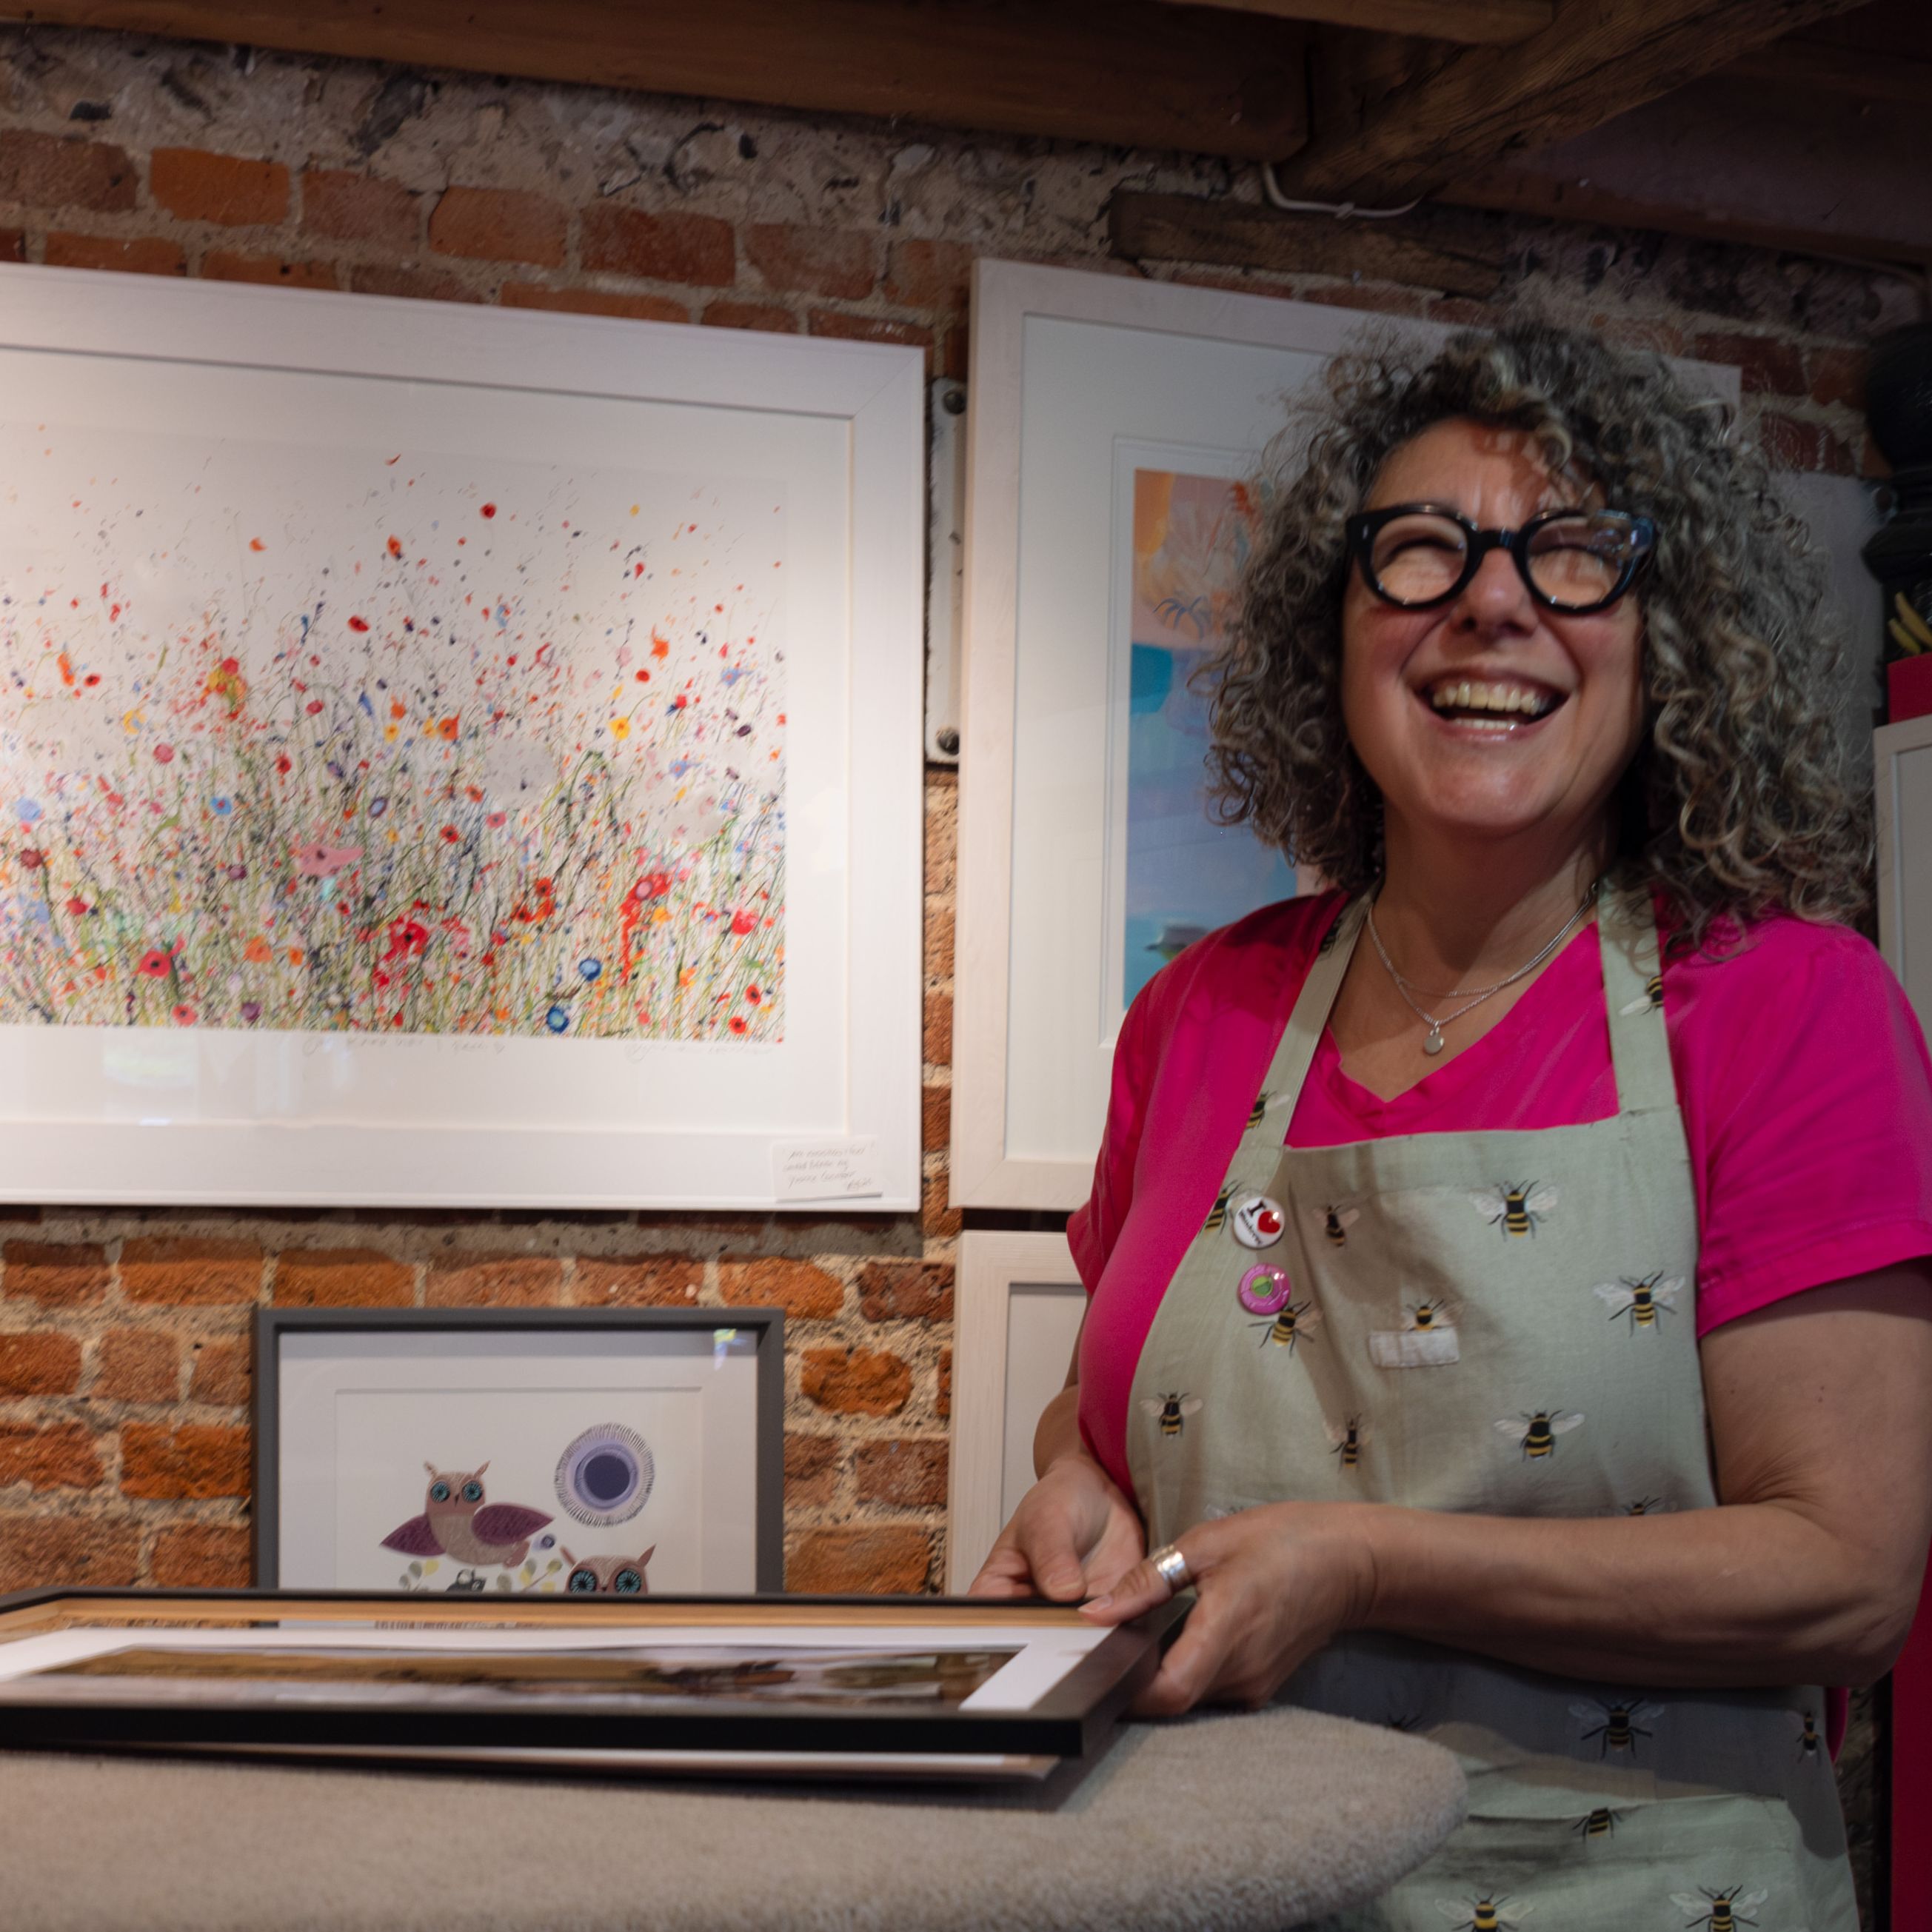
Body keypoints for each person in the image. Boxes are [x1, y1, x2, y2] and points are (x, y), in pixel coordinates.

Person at [970, 321, 1932, 1927]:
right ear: (1331, 636)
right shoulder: (1204, 1014)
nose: (1494, 602)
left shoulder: (1784, 1008)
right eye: (1420, 553)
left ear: (1665, 638)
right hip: (1214, 1884)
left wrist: (1367, 1566)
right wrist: (1081, 1480)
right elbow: (1102, 1399)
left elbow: (1847, 1573)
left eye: (1572, 557)